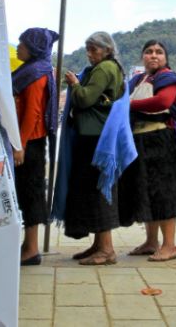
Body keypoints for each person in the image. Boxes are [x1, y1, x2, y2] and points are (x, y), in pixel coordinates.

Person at [57, 32, 132, 265]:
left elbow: (85, 99)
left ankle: (107, 249)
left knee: (99, 190)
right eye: (88, 49)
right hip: (99, 136)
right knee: (96, 190)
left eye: (94, 50)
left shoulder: (104, 69)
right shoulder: (112, 67)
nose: (90, 54)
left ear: (107, 50)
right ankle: (99, 244)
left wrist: (75, 85)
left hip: (95, 138)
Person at [119, 40, 176, 262]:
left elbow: (162, 101)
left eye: (159, 52)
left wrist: (127, 105)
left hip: (161, 140)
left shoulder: (168, 78)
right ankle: (151, 242)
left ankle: (168, 245)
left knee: (165, 192)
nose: (154, 55)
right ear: (142, 57)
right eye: (148, 51)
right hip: (139, 140)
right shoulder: (138, 80)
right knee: (147, 191)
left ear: (165, 58)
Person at [11, 27, 59, 266]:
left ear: (35, 47)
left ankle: (31, 249)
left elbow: (33, 113)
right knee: (26, 191)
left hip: (29, 141)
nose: (19, 47)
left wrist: (20, 145)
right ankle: (27, 246)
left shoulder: (36, 74)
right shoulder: (30, 70)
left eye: (23, 43)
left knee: (30, 193)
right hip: (28, 140)